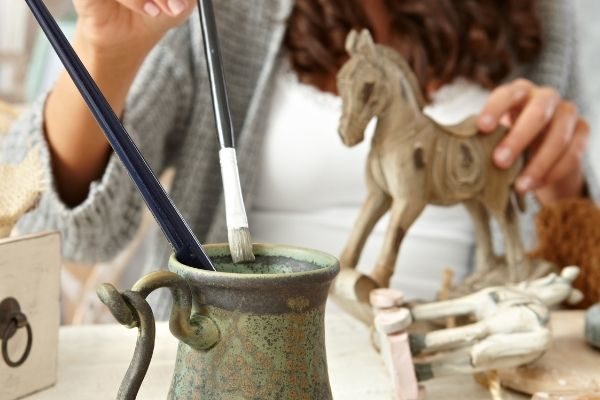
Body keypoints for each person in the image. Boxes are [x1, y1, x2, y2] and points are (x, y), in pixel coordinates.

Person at [2, 0, 598, 317]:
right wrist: (106, 50)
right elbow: (52, 232)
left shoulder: (544, 15)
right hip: (234, 362)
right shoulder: (218, 12)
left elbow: (572, 282)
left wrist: (562, 186)